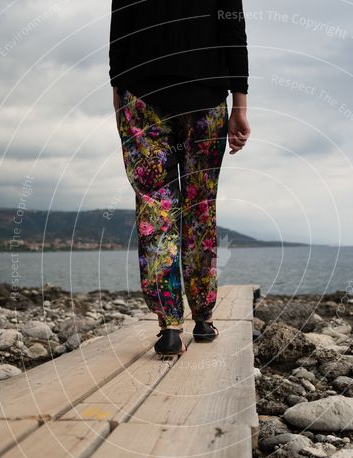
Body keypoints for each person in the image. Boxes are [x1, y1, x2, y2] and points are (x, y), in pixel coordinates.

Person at [109, 0, 250, 355]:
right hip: (206, 96)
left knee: (156, 212)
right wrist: (240, 106)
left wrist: (119, 95)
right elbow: (233, 31)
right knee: (200, 211)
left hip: (142, 96)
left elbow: (120, 30)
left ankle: (170, 326)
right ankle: (203, 320)